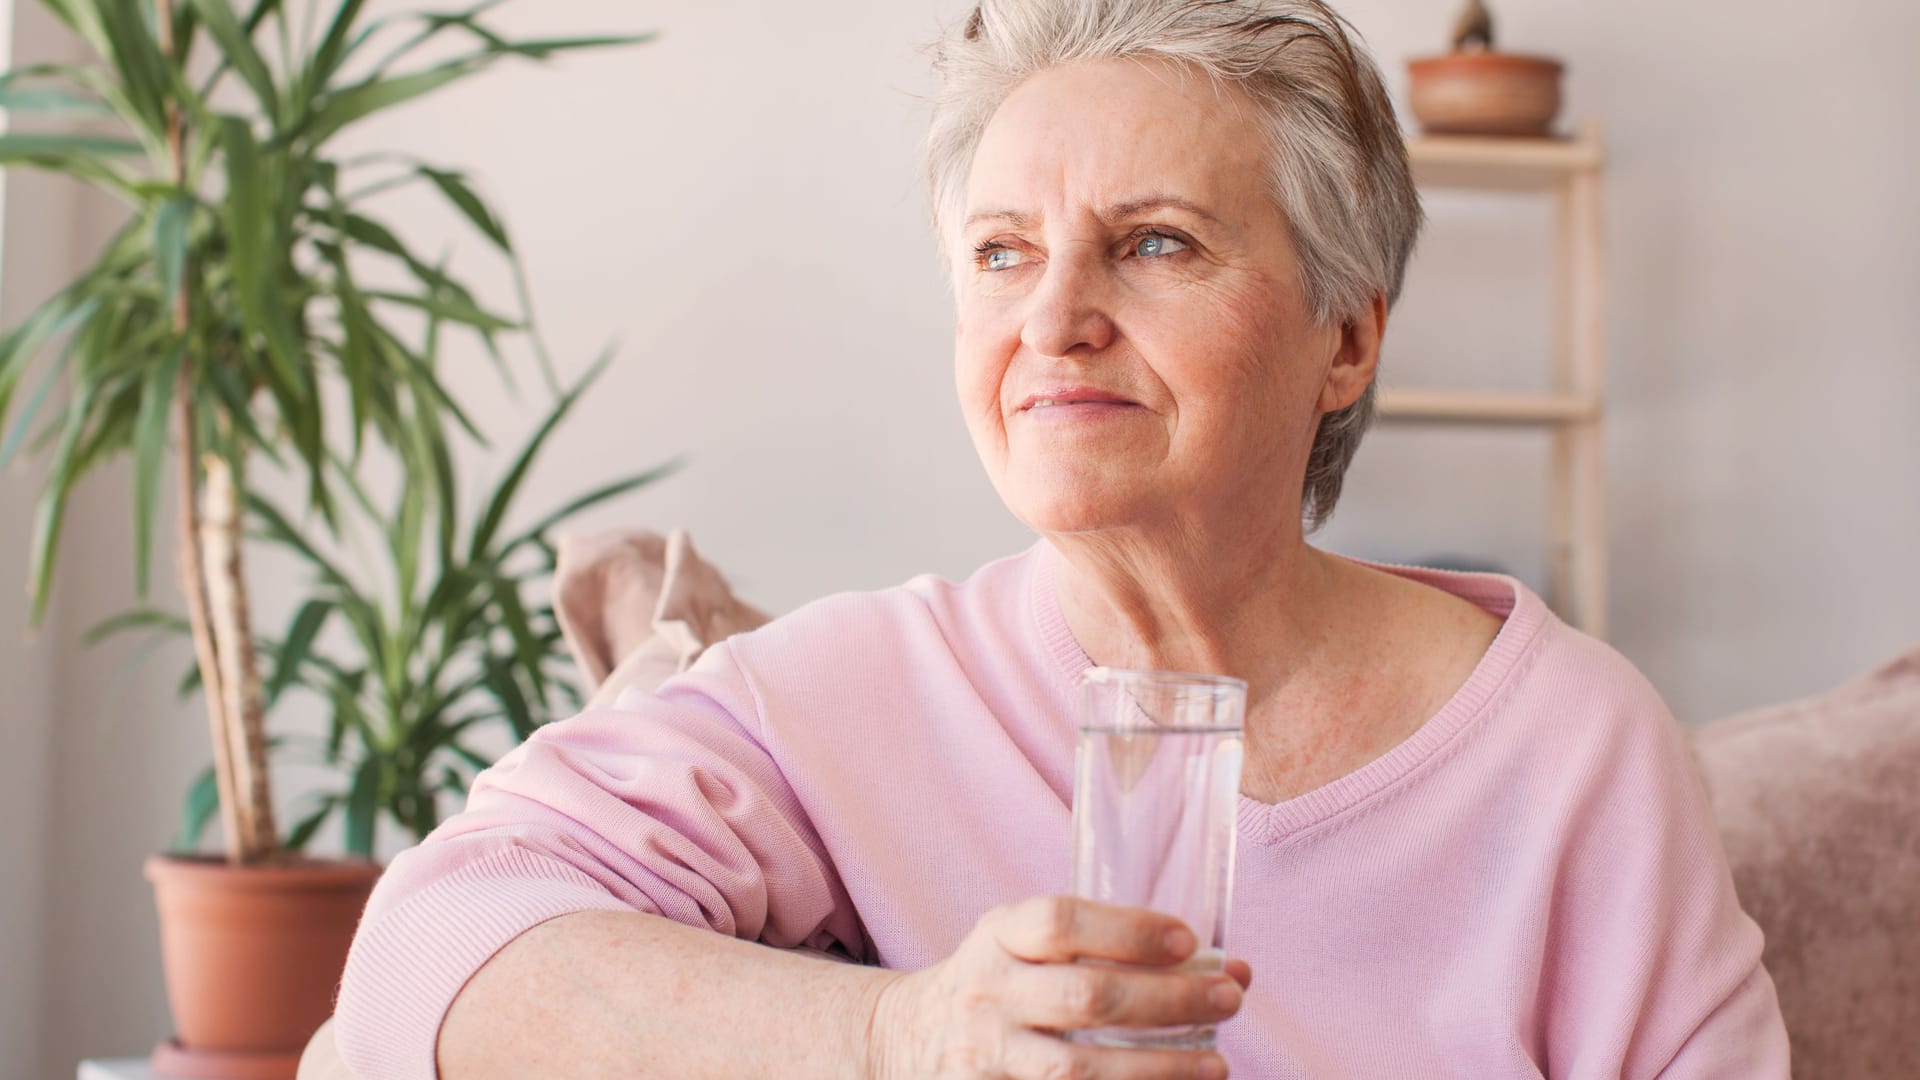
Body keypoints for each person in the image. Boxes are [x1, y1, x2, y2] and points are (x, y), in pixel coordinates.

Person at [333, 2, 1790, 1077]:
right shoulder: (848, 698)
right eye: (1001, 252)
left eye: (1155, 241)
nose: (1052, 319)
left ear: (1345, 336)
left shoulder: (1571, 752)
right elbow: (425, 956)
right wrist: (906, 1035)